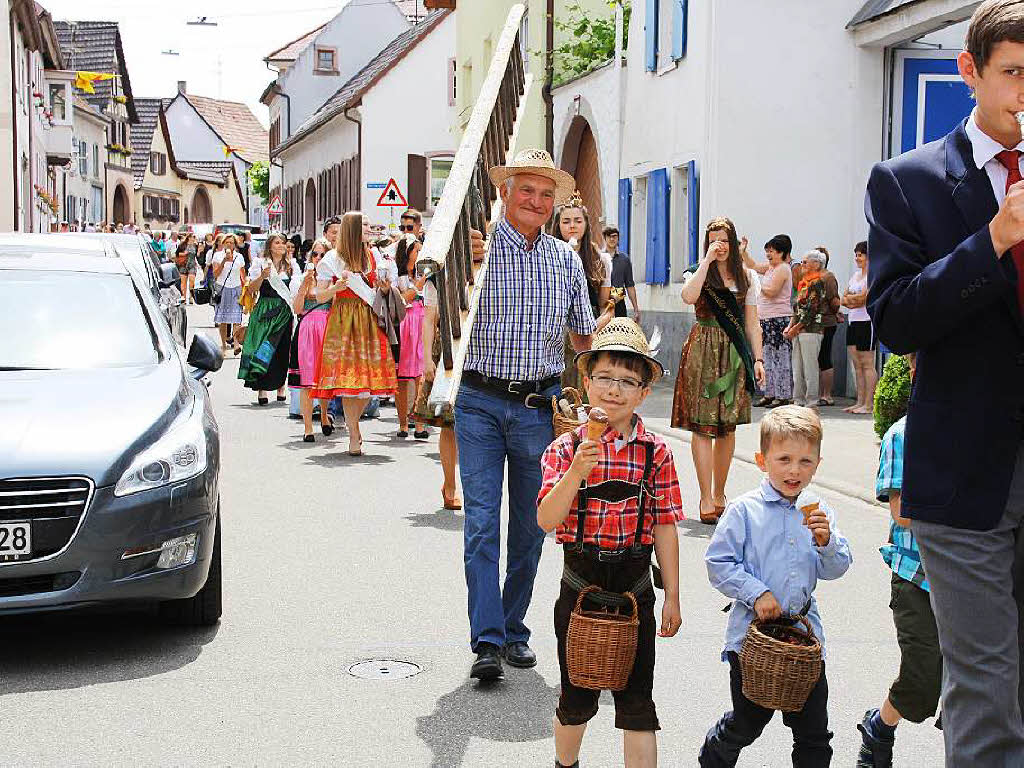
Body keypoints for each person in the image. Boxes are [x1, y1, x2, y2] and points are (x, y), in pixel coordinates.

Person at [866, 2, 1024, 762]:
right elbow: (895, 321)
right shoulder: (909, 181)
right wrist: (993, 240)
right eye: (1015, 73)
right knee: (987, 684)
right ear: (970, 72)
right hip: (962, 473)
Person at [457, 148, 595, 681]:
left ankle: (514, 627)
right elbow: (434, 291)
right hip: (479, 404)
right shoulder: (476, 251)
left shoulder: (565, 261)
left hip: (540, 407)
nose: (536, 201)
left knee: (533, 527)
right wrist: (458, 263)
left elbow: (582, 334)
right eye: (526, 190)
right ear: (506, 193)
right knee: (482, 524)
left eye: (545, 193)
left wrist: (596, 390)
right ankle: (487, 639)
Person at [537, 319, 682, 768]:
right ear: (585, 382)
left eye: (627, 382)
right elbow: (545, 519)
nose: (614, 390)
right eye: (604, 378)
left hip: (636, 589)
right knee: (577, 698)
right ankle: (566, 764)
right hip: (580, 587)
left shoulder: (655, 451)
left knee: (638, 705)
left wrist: (672, 593)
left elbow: (664, 524)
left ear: (643, 393)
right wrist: (577, 473)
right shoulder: (564, 449)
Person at [700, 405, 852, 767]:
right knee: (749, 723)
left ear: (817, 463)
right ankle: (714, 756)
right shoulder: (743, 510)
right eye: (784, 459)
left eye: (805, 461)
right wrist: (757, 592)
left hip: (803, 635)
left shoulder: (819, 510)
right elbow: (718, 563)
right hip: (752, 638)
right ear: (761, 460)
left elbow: (837, 568)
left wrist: (826, 542)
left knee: (814, 732)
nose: (794, 470)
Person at [856, 353, 942, 768]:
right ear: (914, 373)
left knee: (975, 682)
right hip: (916, 577)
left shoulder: (975, 433)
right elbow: (901, 512)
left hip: (966, 576)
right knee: (923, 685)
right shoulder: (902, 435)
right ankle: (880, 727)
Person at [671, 217, 765, 524]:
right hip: (702, 350)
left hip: (734, 354)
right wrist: (706, 261)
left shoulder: (748, 277)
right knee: (701, 426)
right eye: (714, 240)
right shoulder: (697, 272)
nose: (720, 246)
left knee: (727, 427)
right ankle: (704, 496)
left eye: (724, 240)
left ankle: (721, 492)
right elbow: (688, 296)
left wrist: (758, 359)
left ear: (734, 242)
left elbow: (752, 323)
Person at [310, 212, 397, 456]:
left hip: (369, 319)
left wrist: (385, 287)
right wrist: (336, 288)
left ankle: (353, 424)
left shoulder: (374, 255)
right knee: (349, 384)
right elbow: (319, 295)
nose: (369, 229)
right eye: (365, 225)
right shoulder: (331, 259)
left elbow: (380, 289)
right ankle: (353, 432)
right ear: (353, 229)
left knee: (367, 384)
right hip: (343, 320)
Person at [552, 195, 615, 390]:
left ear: (586, 224)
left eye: (578, 221)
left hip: (590, 331)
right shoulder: (548, 256)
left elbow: (606, 306)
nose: (572, 226)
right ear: (558, 225)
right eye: (566, 221)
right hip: (555, 332)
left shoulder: (600, 260)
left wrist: (593, 327)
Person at [238, 233, 298, 405]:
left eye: (283, 243)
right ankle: (262, 389)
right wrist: (262, 276)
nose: (281, 245)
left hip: (284, 311)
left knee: (282, 349)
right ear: (270, 246)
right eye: (277, 243)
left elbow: (294, 289)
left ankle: (281, 387)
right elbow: (251, 290)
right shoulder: (260, 263)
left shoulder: (292, 265)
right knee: (263, 348)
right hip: (265, 309)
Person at [289, 237, 333, 441]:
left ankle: (324, 415)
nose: (318, 258)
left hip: (328, 327)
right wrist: (303, 287)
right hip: (307, 327)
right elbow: (297, 309)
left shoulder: (333, 278)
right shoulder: (301, 278)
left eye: (322, 255)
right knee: (307, 381)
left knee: (324, 378)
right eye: (314, 254)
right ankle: (308, 427)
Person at [747, 234, 794, 408]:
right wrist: (743, 251)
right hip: (765, 318)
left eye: (772, 251)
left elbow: (772, 291)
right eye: (767, 251)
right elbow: (751, 266)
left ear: (782, 252)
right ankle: (769, 393)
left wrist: (756, 284)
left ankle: (783, 395)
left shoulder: (783, 268)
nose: (768, 254)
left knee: (780, 358)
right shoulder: (770, 267)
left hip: (778, 319)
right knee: (766, 357)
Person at [394, 211, 428, 439]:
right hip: (404, 323)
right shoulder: (397, 275)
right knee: (402, 377)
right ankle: (403, 423)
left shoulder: (425, 272)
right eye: (416, 250)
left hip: (421, 321)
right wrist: (418, 284)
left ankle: (420, 423)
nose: (419, 252)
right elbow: (402, 299)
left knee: (421, 375)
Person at [784, 250, 828, 409]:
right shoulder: (803, 283)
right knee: (797, 367)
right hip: (799, 330)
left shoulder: (817, 282)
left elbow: (812, 309)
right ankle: (798, 400)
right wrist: (790, 327)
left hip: (811, 330)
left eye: (804, 262)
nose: (801, 265)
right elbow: (797, 309)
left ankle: (811, 402)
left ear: (816, 264)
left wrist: (795, 328)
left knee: (810, 367)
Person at [841, 241, 877, 414]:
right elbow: (843, 298)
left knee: (867, 363)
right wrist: (852, 300)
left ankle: (869, 404)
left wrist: (853, 300)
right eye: (856, 254)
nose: (857, 258)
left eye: (860, 255)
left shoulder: (872, 275)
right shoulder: (855, 276)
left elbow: (865, 298)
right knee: (856, 364)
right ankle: (860, 401)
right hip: (853, 322)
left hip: (866, 322)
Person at [814, 246, 841, 407]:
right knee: (815, 359)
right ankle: (817, 393)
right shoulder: (812, 277)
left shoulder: (829, 277)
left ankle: (827, 395)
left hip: (826, 322)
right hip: (814, 324)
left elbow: (834, 300)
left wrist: (836, 312)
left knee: (824, 357)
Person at [211, 233, 245, 355]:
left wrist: (245, 290)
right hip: (223, 288)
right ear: (223, 243)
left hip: (236, 288)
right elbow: (215, 274)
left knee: (236, 319)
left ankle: (236, 343)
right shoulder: (217, 256)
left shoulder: (239, 257)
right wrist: (224, 261)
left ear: (235, 245)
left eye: (232, 242)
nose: (229, 244)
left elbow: (242, 274)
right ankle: (224, 346)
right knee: (223, 320)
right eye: (227, 242)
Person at [602, 226, 640, 321]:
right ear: (604, 238)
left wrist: (636, 309)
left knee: (620, 334)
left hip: (619, 304)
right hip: (602, 304)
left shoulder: (624, 259)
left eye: (614, 236)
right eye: (609, 236)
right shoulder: (598, 257)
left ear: (618, 238)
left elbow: (630, 285)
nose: (612, 239)